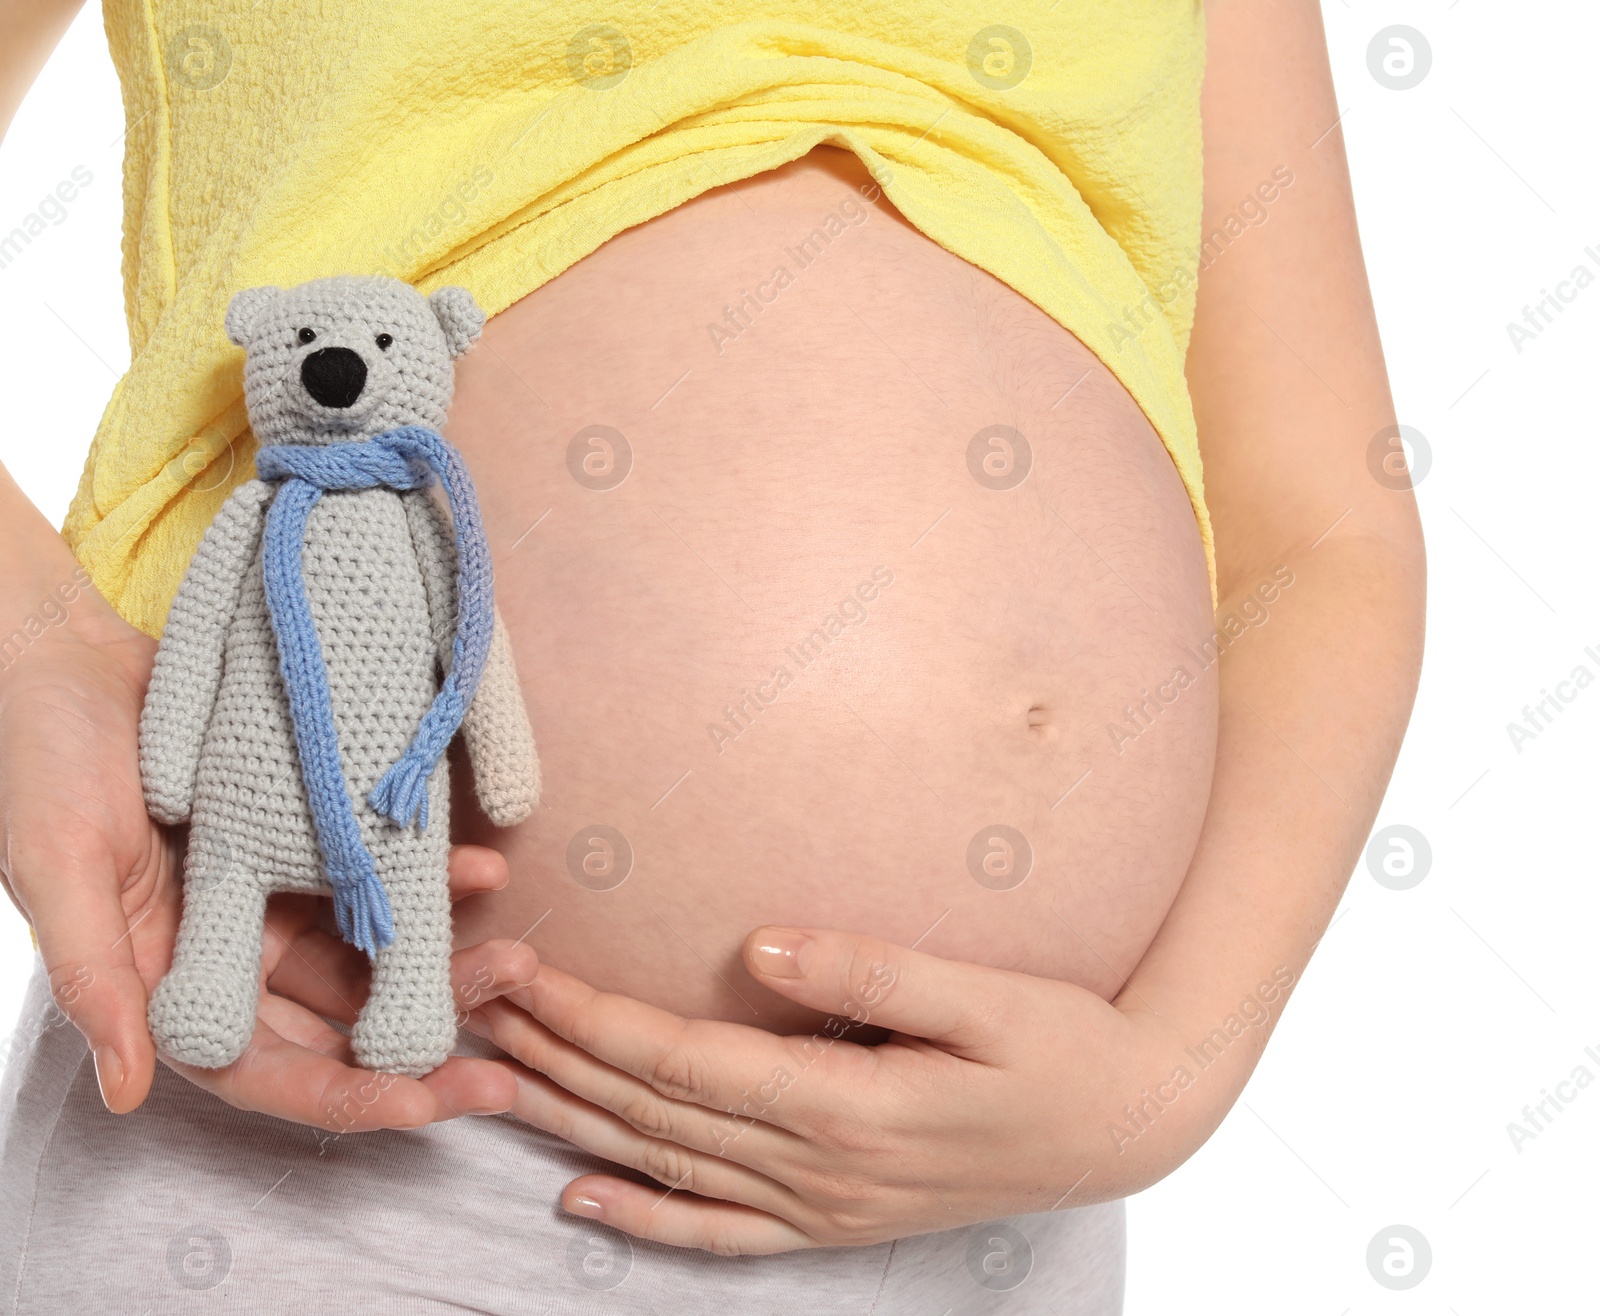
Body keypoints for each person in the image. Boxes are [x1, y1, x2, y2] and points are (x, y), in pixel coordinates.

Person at [0, 1, 1424, 1310]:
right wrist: (30, 655)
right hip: (351, 1110)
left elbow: (1322, 531)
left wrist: (1170, 1073)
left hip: (979, 1196)